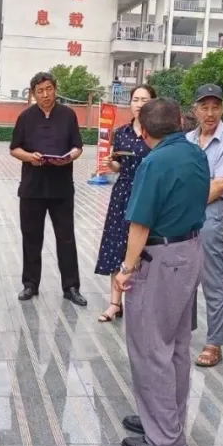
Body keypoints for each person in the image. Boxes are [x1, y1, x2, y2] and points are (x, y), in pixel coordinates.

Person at [112, 99, 209, 446]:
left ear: (143, 130)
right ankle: (165, 418)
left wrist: (125, 270)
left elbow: (140, 223)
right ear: (180, 122)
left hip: (161, 256)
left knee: (151, 346)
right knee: (176, 345)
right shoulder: (195, 153)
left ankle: (165, 435)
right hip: (189, 250)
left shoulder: (154, 162)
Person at [9, 71, 86, 306]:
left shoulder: (68, 115)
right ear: (33, 94)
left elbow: (78, 147)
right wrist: (29, 157)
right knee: (31, 237)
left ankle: (71, 287)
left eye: (49, 89)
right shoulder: (25, 117)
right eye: (40, 91)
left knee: (66, 238)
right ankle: (30, 284)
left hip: (61, 188)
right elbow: (14, 148)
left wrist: (69, 157)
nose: (45, 95)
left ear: (55, 89)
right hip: (32, 188)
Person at [186, 84, 223, 367]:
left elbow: (220, 184)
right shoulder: (187, 139)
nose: (210, 113)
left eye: (216, 107)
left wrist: (186, 203)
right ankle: (183, 331)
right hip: (186, 210)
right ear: (195, 110)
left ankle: (214, 343)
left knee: (212, 276)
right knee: (184, 271)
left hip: (212, 210)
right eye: (204, 107)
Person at [94, 84, 156, 322]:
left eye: (144, 100)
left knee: (145, 248)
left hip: (149, 192)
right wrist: (111, 164)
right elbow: (119, 165)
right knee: (117, 246)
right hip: (123, 192)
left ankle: (142, 304)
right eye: (135, 100)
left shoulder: (157, 134)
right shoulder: (121, 133)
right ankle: (114, 304)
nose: (139, 104)